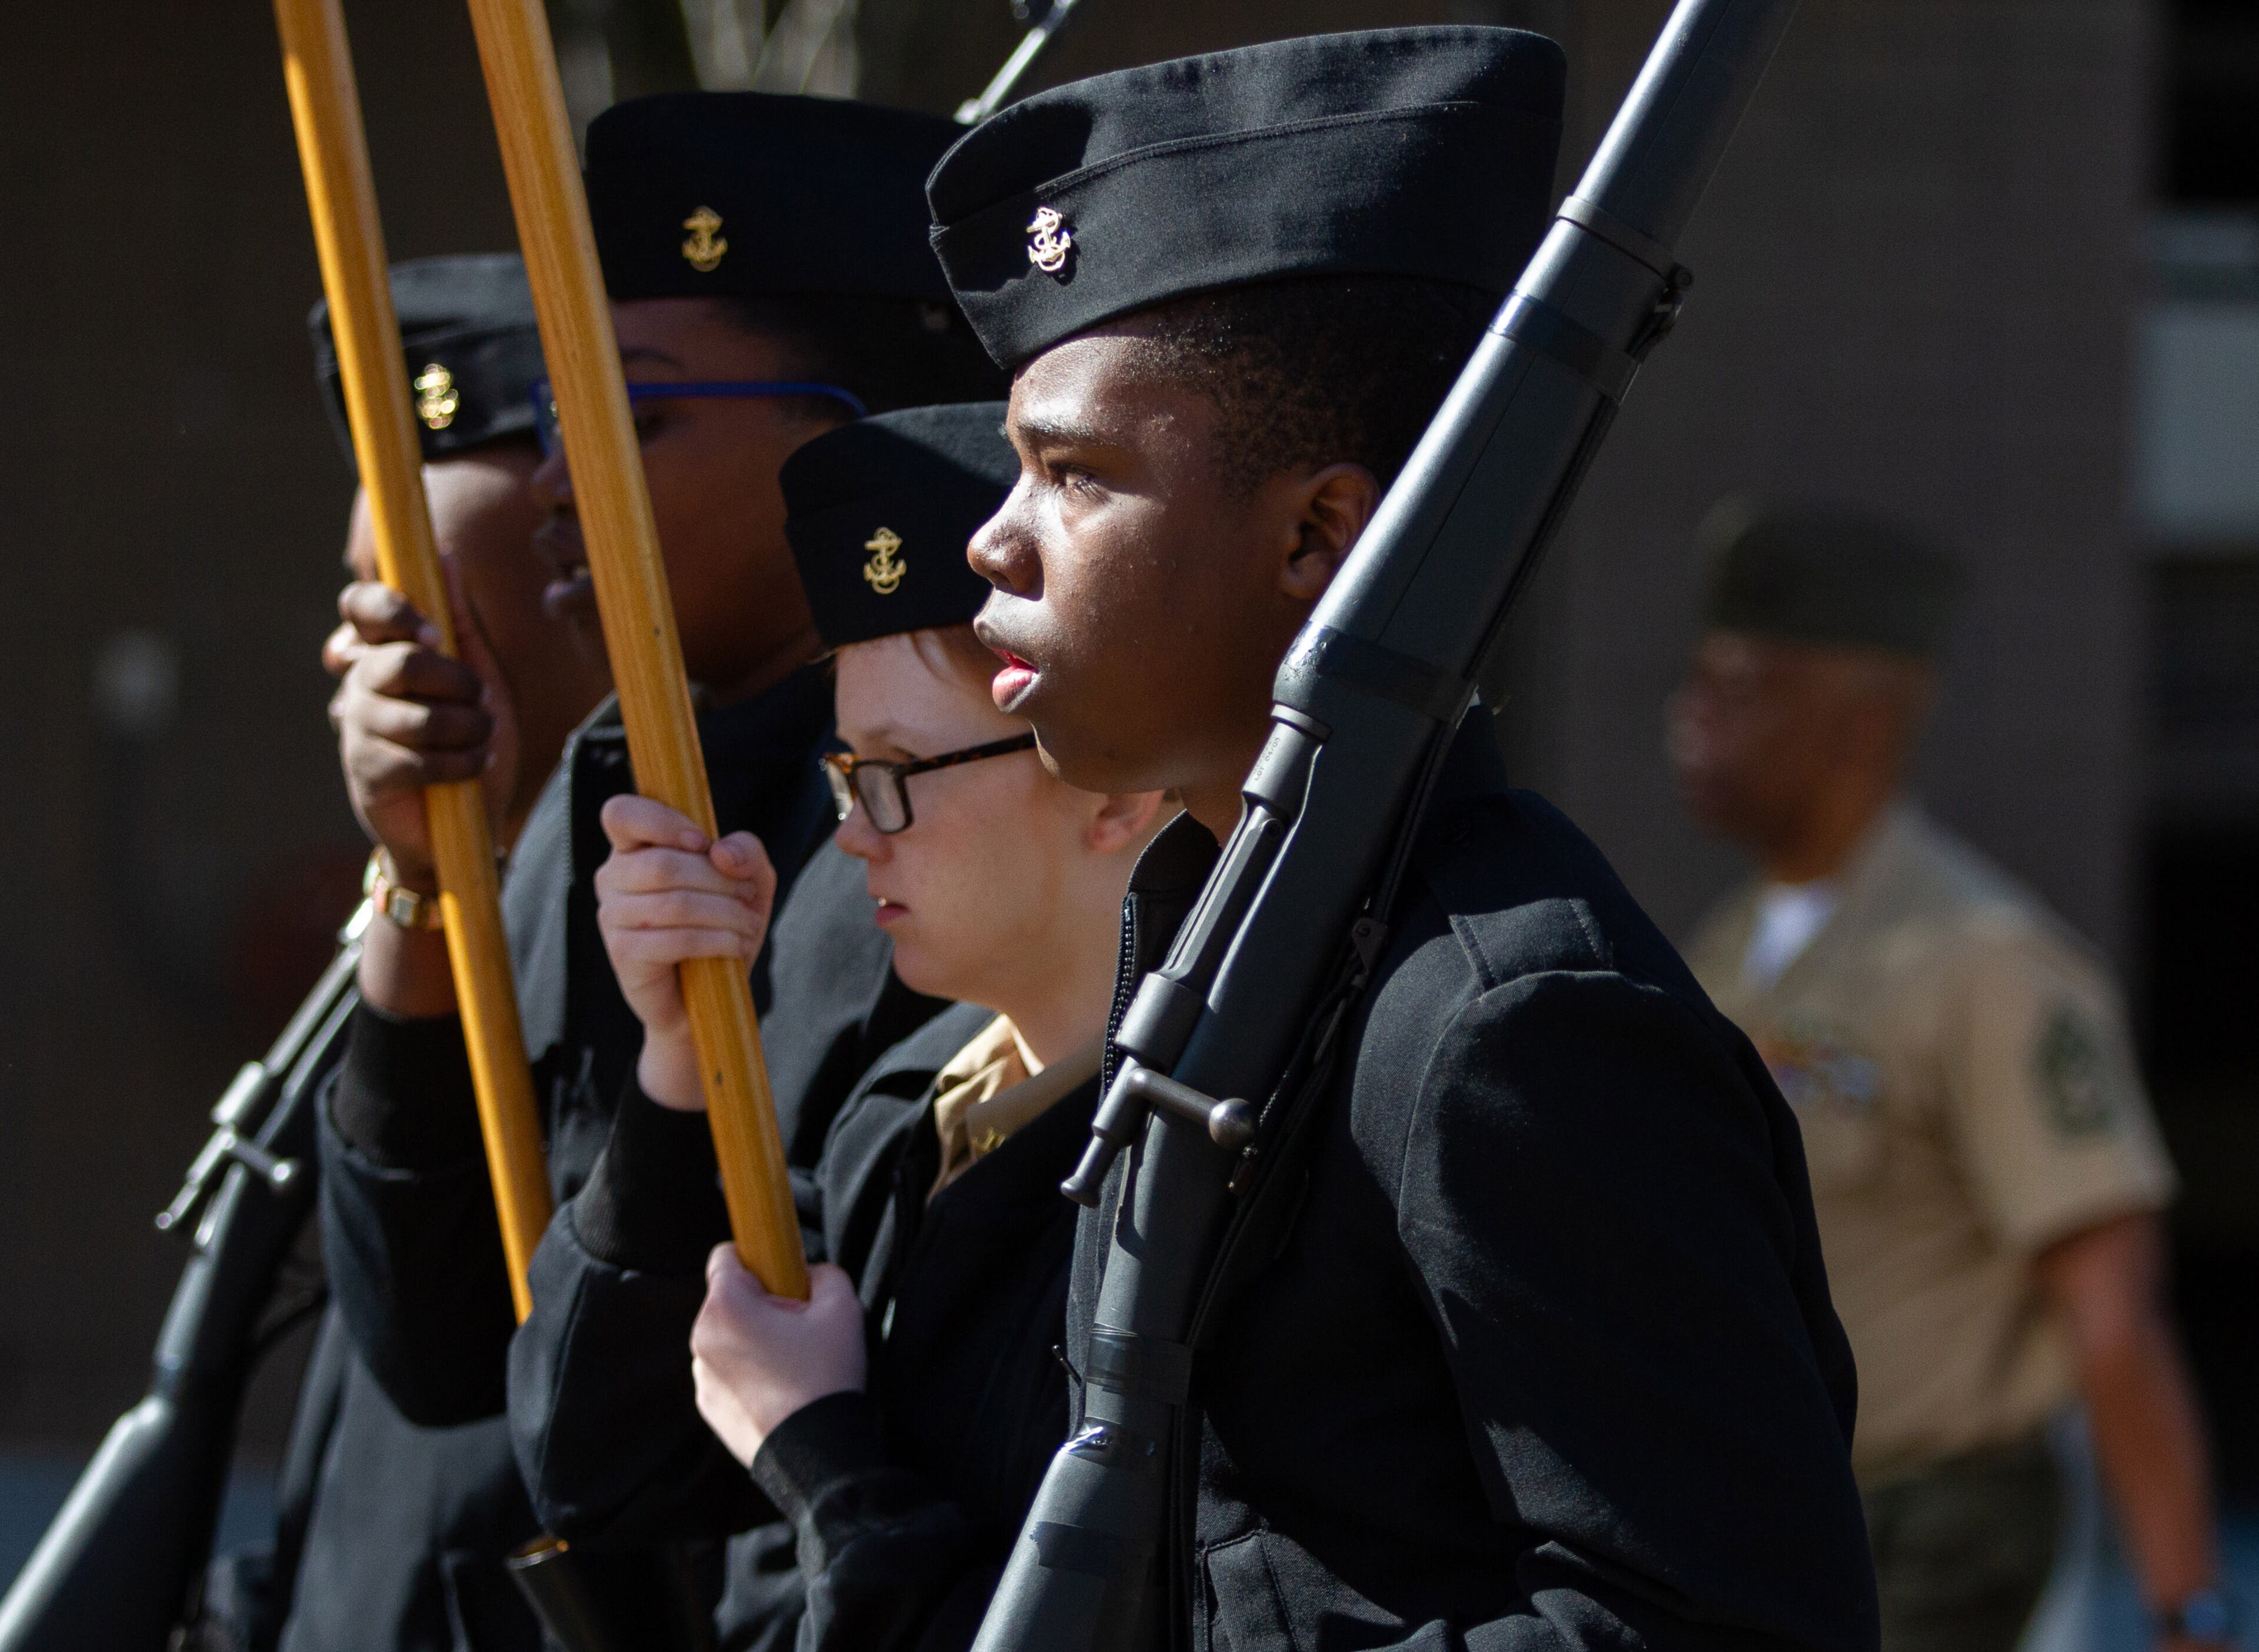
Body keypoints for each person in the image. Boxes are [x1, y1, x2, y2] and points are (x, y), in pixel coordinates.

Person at [704, 25, 1881, 1651]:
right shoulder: (1231, 938)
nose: (993, 531)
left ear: (1320, 532)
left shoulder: (1504, 1028)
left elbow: (1718, 1627)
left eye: (1074, 474)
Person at [307, 95, 994, 1651]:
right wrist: (430, 884)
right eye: (551, 419)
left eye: (635, 416)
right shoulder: (599, 791)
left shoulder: (942, 834)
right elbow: (436, 1344)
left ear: (852, 439)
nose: (561, 483)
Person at [507, 401, 1167, 1650]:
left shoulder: (1212, 1165)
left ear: (1111, 783)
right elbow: (601, 1469)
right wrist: (678, 1068)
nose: (853, 829)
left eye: (893, 775)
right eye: (842, 773)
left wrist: (824, 1461)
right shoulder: (910, 1113)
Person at [1668, 499, 2231, 1652]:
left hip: (1932, 1537)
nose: (1693, 718)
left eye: (1747, 685)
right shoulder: (1722, 955)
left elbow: (2110, 1307)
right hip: (1773, 1520)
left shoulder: (1989, 966)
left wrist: (2190, 1613)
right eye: (1700, 681)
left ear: (1859, 726)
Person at [188, 252, 607, 1652]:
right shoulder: (441, 916)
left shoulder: (685, 913)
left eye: (412, 608)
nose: (361, 656)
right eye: (363, 599)